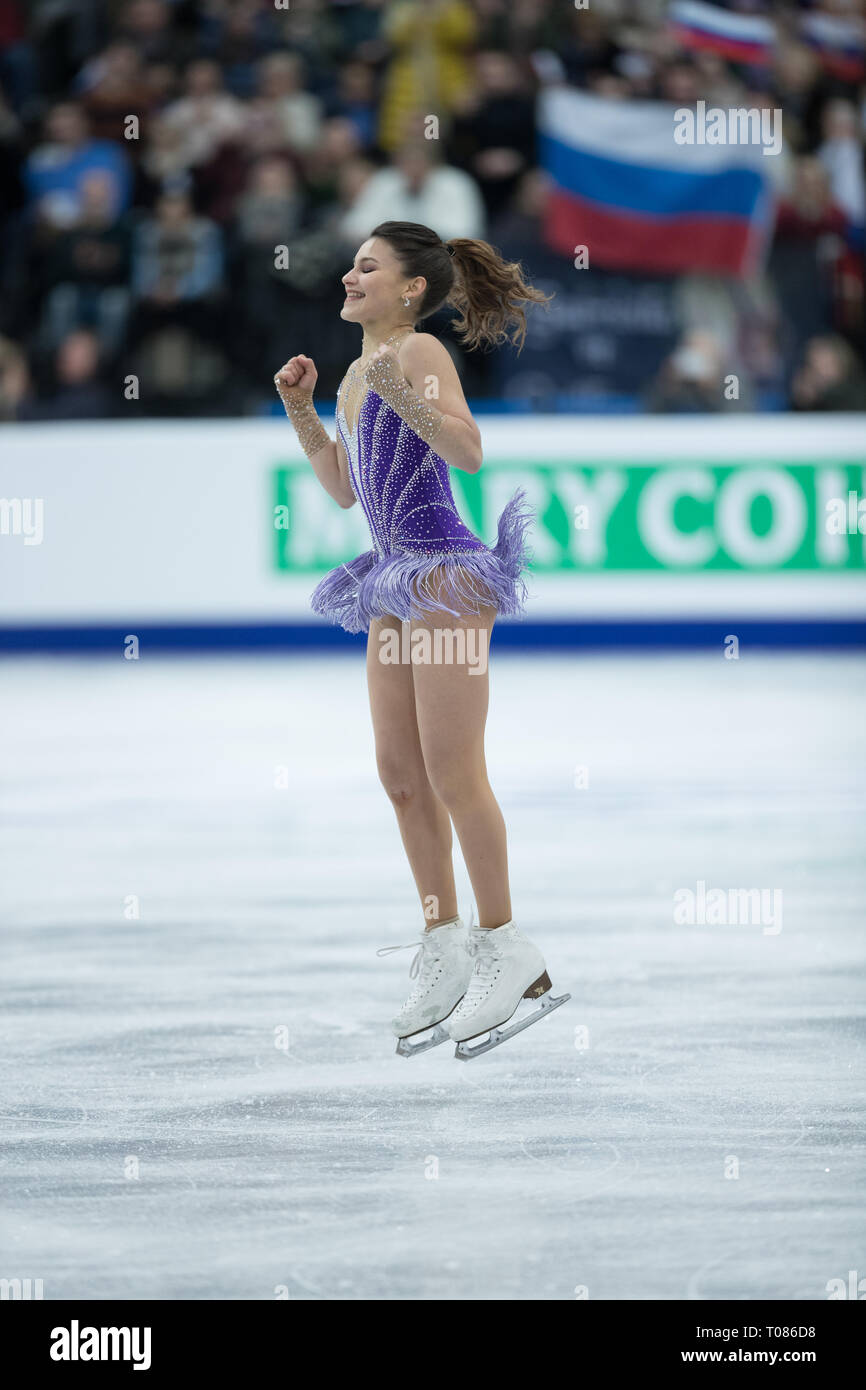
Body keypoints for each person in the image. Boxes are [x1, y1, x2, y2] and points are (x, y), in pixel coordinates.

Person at [273, 220, 569, 1059]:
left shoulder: (417, 354)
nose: (349, 276)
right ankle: (442, 946)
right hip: (392, 581)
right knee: (401, 776)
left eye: (368, 266)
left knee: (452, 772)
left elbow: (469, 452)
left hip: (442, 578)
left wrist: (401, 390)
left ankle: (507, 947)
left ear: (410, 289)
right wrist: (302, 409)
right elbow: (340, 488)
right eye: (351, 264)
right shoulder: (359, 373)